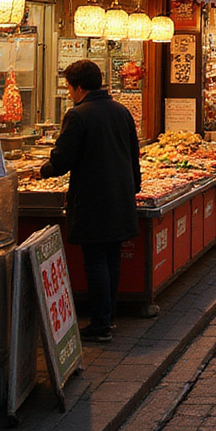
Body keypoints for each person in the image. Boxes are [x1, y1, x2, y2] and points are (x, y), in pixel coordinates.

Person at [40, 59, 141, 342]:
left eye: (68, 87)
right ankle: (109, 317)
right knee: (112, 258)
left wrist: (44, 169)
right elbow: (133, 154)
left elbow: (62, 160)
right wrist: (133, 187)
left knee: (95, 260)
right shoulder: (121, 111)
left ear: (79, 87)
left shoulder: (78, 115)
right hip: (120, 196)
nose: (69, 92)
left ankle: (100, 325)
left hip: (93, 199)